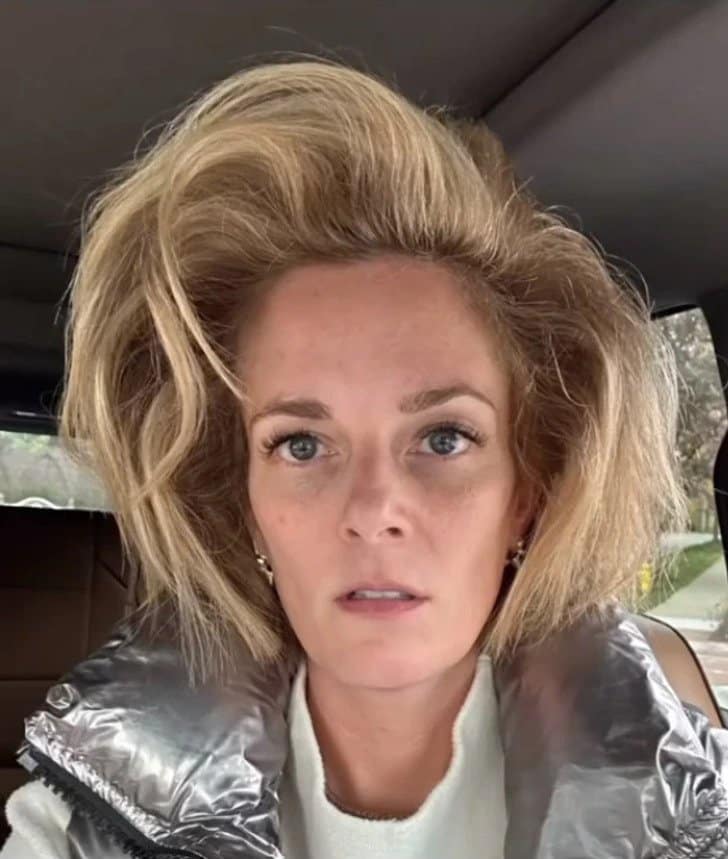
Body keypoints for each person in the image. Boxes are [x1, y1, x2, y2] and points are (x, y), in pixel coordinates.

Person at [2, 59, 728, 859]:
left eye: (444, 438)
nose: (373, 508)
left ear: (525, 495)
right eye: (301, 444)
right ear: (247, 505)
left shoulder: (686, 805)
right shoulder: (88, 819)